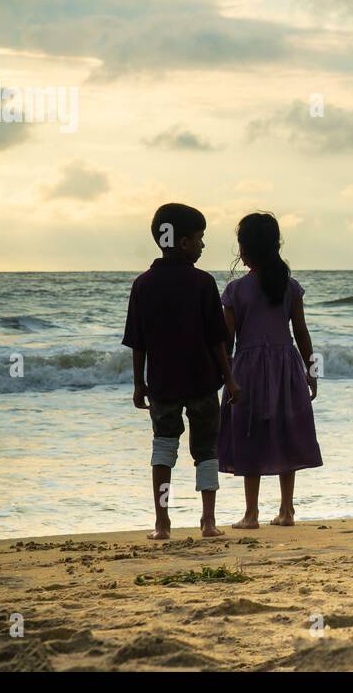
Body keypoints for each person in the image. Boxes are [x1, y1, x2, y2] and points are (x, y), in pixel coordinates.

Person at [123, 203, 239, 540]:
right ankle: (208, 520)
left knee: (163, 450)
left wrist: (138, 383)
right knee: (206, 451)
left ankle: (162, 522)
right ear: (184, 242)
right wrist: (229, 379)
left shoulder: (143, 284)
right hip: (203, 381)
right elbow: (217, 339)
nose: (203, 246)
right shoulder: (202, 282)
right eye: (201, 238)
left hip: (162, 383)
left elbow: (137, 341)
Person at [218, 212, 322, 528]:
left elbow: (227, 340)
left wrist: (225, 376)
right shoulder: (290, 287)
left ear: (245, 250)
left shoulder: (236, 291)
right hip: (286, 367)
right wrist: (313, 370)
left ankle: (251, 514)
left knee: (249, 433)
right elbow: (302, 333)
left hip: (247, 371)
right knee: (285, 432)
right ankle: (287, 510)